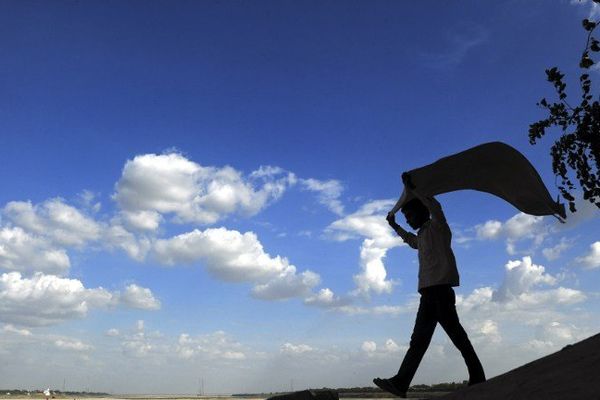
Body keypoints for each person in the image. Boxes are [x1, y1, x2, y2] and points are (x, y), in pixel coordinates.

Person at [373, 173, 486, 397]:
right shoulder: (422, 236)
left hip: (440, 292)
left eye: (409, 215)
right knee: (419, 341)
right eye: (405, 217)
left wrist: (414, 190)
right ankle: (400, 383)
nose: (408, 220)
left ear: (421, 211)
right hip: (428, 295)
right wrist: (395, 227)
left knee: (456, 336)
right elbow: (412, 242)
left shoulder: (438, 228)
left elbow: (435, 206)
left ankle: (478, 376)